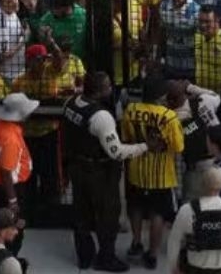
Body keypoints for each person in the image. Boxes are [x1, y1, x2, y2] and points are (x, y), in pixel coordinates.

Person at [63, 72, 160, 271]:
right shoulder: (101, 116)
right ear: (99, 91)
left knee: (81, 212)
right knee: (108, 215)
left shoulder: (70, 103)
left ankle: (84, 256)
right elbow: (116, 152)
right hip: (99, 171)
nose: (110, 88)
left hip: (77, 166)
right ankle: (106, 258)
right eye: (107, 86)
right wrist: (145, 146)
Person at [121, 75, 185, 269]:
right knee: (158, 213)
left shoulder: (130, 110)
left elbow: (126, 138)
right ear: (161, 96)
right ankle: (152, 253)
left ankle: (136, 243)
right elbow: (178, 147)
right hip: (161, 176)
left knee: (136, 208)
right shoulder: (169, 116)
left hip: (136, 171)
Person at [167, 166, 221, 274]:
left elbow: (174, 243)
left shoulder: (186, 210)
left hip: (194, 269)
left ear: (201, 183)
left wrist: (173, 266)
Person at [0, 92, 39, 256]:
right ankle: (10, 258)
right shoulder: (10, 139)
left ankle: (2, 253)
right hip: (12, 188)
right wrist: (13, 201)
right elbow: (6, 172)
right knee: (15, 227)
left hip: (3, 186)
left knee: (3, 224)